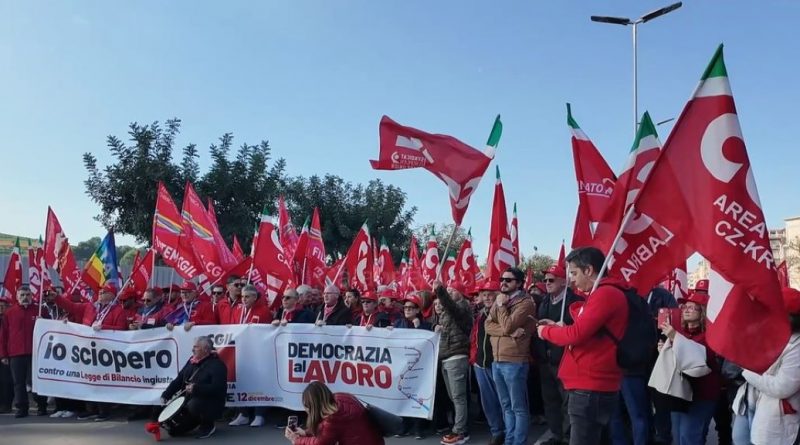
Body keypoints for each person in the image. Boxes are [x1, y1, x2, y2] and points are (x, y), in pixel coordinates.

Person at [538, 247, 629, 445]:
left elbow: (575, 334)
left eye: (573, 273)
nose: (571, 279)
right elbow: (583, 330)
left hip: (589, 386)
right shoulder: (602, 294)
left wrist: (545, 331)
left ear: (588, 270)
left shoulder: (605, 294)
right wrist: (561, 327)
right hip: (590, 384)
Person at [732, 286, 800, 445]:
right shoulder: (764, 333)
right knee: (739, 439)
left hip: (775, 412)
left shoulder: (796, 345)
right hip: (748, 401)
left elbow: (781, 387)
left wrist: (746, 369)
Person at [56, 282, 128, 421]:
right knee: (88, 379)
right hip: (87, 350)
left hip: (106, 351)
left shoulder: (118, 310)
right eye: (100, 292)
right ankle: (91, 409)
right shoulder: (90, 307)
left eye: (104, 292)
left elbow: (122, 329)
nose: (100, 294)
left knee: (102, 380)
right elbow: (71, 306)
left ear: (112, 295)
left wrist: (104, 327)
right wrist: (57, 297)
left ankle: (103, 410)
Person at [659, 291, 721, 445]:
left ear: (703, 312)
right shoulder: (681, 333)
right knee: (678, 436)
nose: (686, 309)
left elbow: (700, 357)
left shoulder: (712, 335)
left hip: (701, 396)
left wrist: (675, 339)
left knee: (689, 437)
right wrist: (665, 349)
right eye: (685, 306)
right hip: (679, 394)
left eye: (693, 308)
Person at [485, 267, 536, 445]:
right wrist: (507, 331)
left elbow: (507, 326)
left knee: (518, 407)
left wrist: (500, 306)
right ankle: (509, 440)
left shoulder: (525, 303)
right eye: (502, 279)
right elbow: (487, 326)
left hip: (515, 362)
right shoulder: (501, 299)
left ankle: (518, 442)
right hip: (497, 360)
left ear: (519, 283)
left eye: (508, 280)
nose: (503, 283)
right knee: (506, 406)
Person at [535, 264, 584, 445]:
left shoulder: (574, 301)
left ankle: (568, 437)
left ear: (564, 281)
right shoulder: (545, 300)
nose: (547, 283)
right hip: (545, 358)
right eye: (545, 280)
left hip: (564, 358)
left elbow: (579, 329)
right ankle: (556, 435)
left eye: (551, 280)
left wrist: (559, 326)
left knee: (567, 402)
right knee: (550, 400)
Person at [432, 280, 474, 445]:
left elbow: (451, 307)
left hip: (457, 356)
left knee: (458, 397)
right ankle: (459, 425)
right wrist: (436, 325)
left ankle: (460, 431)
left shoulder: (462, 307)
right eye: (447, 290)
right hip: (446, 357)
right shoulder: (447, 311)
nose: (448, 293)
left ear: (459, 293)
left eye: (451, 290)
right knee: (453, 396)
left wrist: (440, 291)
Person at [161, 336, 228, 439]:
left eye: (196, 347)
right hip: (189, 401)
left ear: (206, 349)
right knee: (174, 431)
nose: (192, 349)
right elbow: (179, 379)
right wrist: (166, 395)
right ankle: (192, 420)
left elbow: (218, 388)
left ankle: (208, 425)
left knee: (194, 404)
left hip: (211, 403)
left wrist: (196, 388)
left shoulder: (217, 365)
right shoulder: (191, 361)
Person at [284, 381, 384, 445]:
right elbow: (325, 429)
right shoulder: (340, 398)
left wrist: (296, 440)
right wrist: (305, 432)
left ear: (313, 407)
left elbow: (321, 442)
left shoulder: (333, 418)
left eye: (306, 406)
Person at [388, 294, 432, 439]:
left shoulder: (425, 325)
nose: (407, 310)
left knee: (417, 396)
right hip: (402, 367)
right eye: (405, 307)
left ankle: (418, 427)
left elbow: (426, 343)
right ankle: (405, 426)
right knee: (402, 394)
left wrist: (418, 327)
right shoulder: (398, 323)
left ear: (418, 310)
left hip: (419, 369)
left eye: (410, 308)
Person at [0, 286, 48, 417]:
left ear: (32, 296)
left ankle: (42, 406)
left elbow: (50, 329)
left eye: (27, 294)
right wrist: (3, 354)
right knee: (18, 382)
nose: (25, 297)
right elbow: (3, 335)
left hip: (36, 352)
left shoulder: (40, 310)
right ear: (17, 297)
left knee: (36, 381)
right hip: (16, 353)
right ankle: (22, 407)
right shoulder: (9, 313)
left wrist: (43, 322)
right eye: (22, 295)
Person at [229, 285, 272, 427]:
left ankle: (259, 414)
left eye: (247, 296)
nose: (244, 299)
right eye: (242, 296)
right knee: (242, 381)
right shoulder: (237, 310)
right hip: (241, 351)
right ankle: (243, 414)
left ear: (255, 297)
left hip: (259, 353)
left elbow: (267, 332)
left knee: (259, 383)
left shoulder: (264, 311)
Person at [469, 281, 505, 445]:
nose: (487, 297)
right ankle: (496, 432)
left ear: (498, 294)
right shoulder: (480, 315)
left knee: (504, 401)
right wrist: (474, 359)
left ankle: (508, 432)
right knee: (489, 402)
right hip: (480, 365)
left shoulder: (503, 312)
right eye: (484, 294)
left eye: (491, 293)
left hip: (498, 363)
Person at [0, 298, 13, 413]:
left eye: (3, 305)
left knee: (6, 381)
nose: (1, 308)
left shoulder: (9, 318)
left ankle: (6, 404)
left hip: (6, 354)